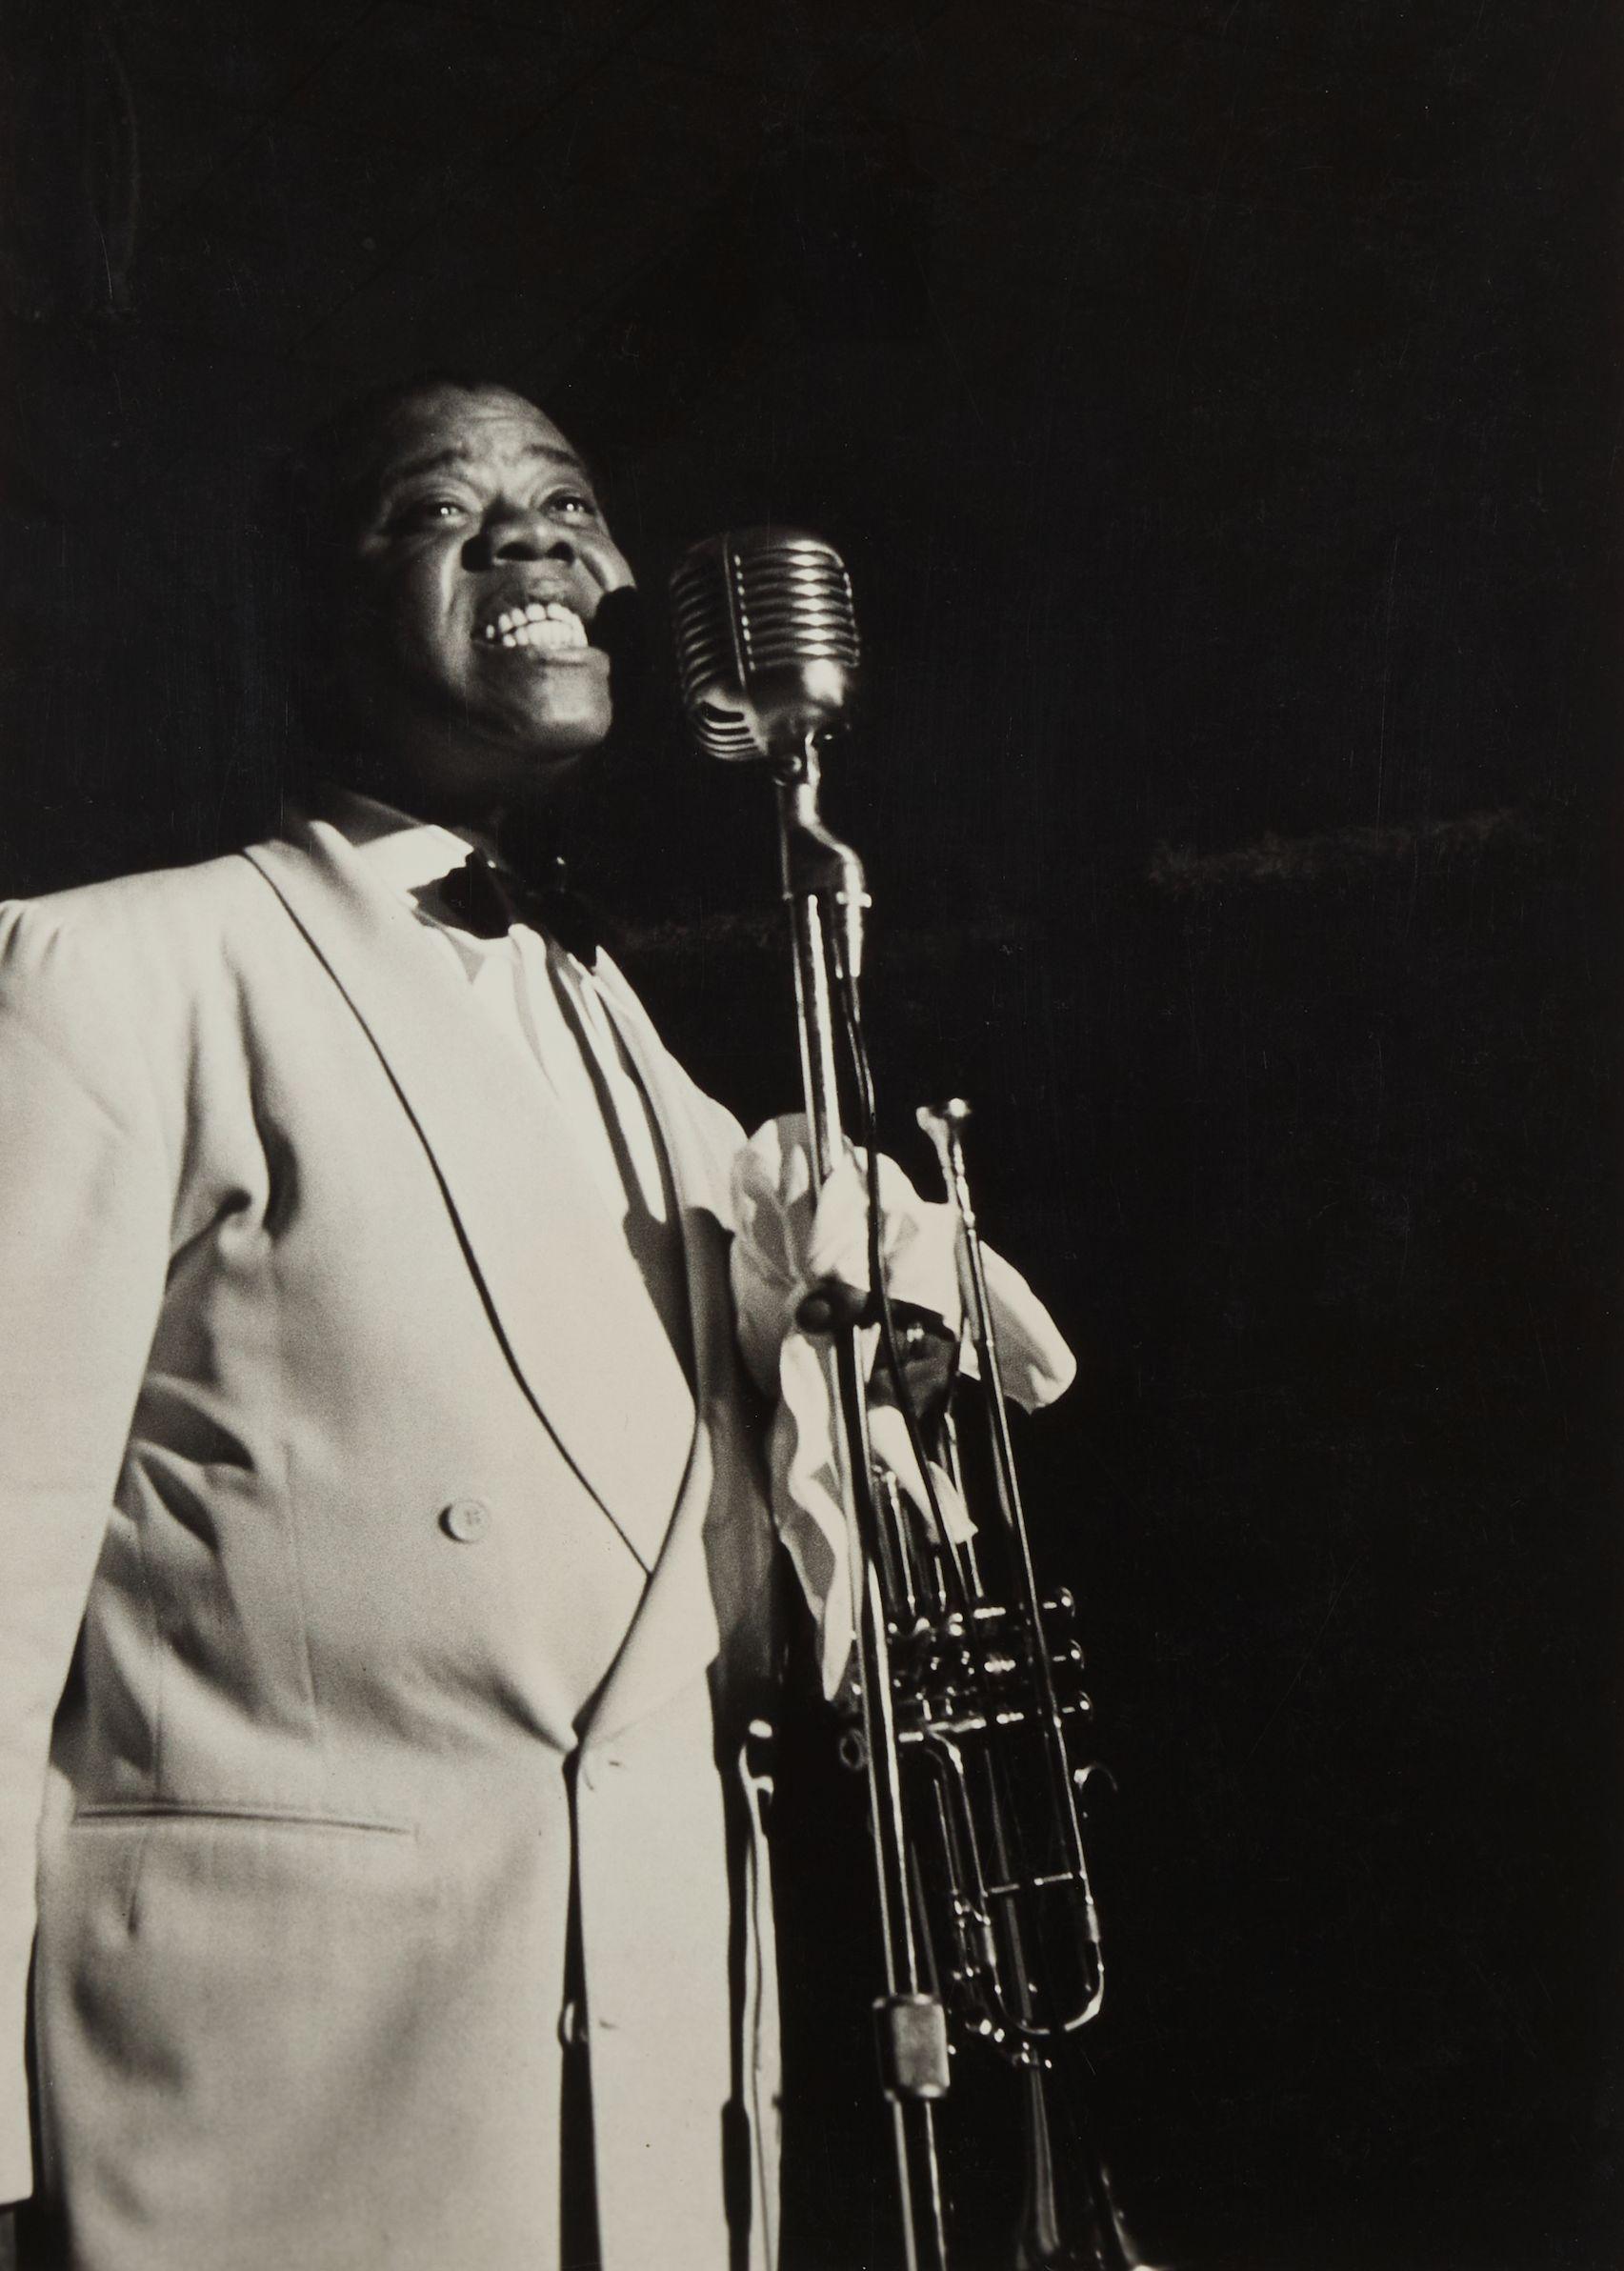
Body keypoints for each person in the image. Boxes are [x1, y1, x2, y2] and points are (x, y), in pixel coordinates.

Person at [0, 380, 1075, 2271]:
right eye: (442, 505)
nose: (535, 537)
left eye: (570, 501)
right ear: (309, 615)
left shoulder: (620, 1033)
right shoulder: (113, 974)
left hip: (644, 2070)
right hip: (268, 2102)